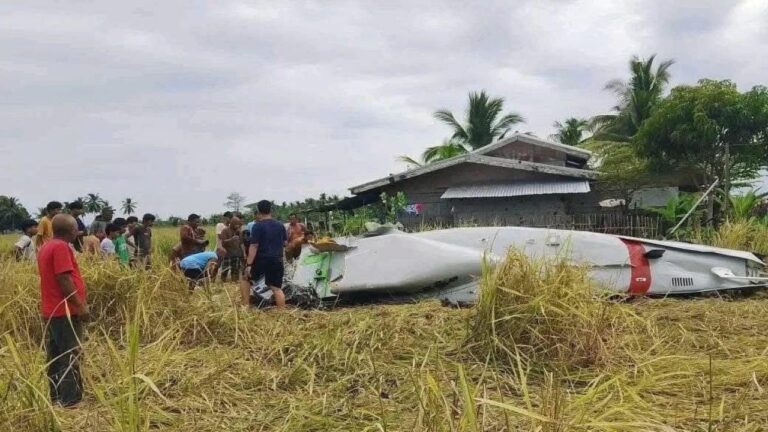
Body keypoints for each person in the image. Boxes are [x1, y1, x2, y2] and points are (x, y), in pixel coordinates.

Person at [37, 213, 88, 406]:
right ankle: (71, 400)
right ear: (71, 231)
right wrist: (80, 306)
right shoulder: (60, 247)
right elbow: (64, 279)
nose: (78, 231)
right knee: (70, 354)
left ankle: (56, 396)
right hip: (64, 311)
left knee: (56, 356)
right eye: (76, 228)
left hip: (52, 310)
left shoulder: (47, 246)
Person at [242, 200, 287, 309]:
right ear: (271, 210)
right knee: (276, 288)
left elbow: (254, 246)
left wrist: (248, 265)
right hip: (277, 259)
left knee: (245, 278)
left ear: (258, 211)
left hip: (262, 259)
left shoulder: (257, 226)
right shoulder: (280, 225)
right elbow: (285, 243)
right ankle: (283, 313)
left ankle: (245, 306)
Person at [219, 216, 244, 282]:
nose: (237, 226)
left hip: (237, 254)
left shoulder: (239, 231)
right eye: (236, 224)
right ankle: (223, 283)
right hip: (228, 254)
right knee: (225, 270)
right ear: (232, 223)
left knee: (236, 270)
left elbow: (241, 243)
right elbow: (223, 242)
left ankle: (234, 282)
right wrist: (231, 239)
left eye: (238, 224)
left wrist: (243, 253)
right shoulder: (225, 230)